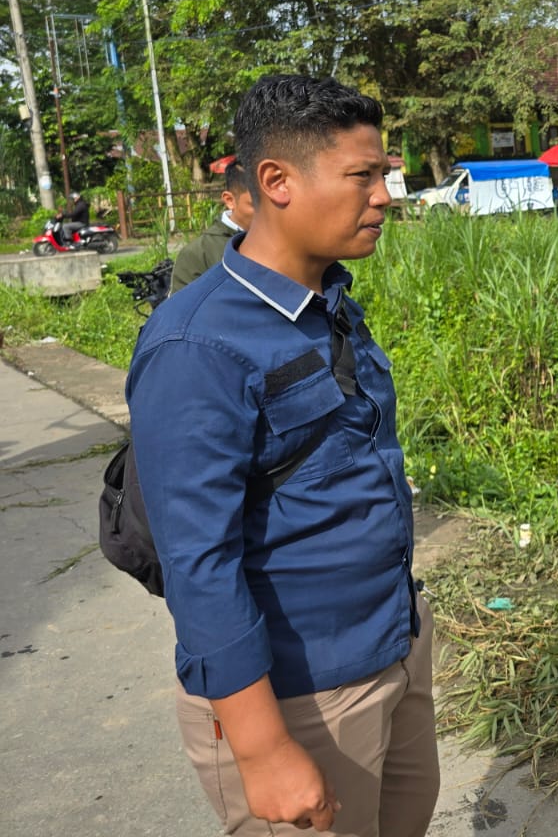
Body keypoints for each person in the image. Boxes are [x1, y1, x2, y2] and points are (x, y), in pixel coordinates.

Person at [126, 75, 438, 837]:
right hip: (302, 696)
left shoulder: (331, 303)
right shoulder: (195, 344)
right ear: (277, 182)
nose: (385, 196)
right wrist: (263, 748)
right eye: (362, 176)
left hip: (391, 648)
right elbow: (197, 560)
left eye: (384, 174)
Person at [171, 160, 257, 292]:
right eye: (256, 205)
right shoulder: (197, 254)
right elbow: (183, 310)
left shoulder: (284, 241)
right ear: (230, 200)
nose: (268, 214)